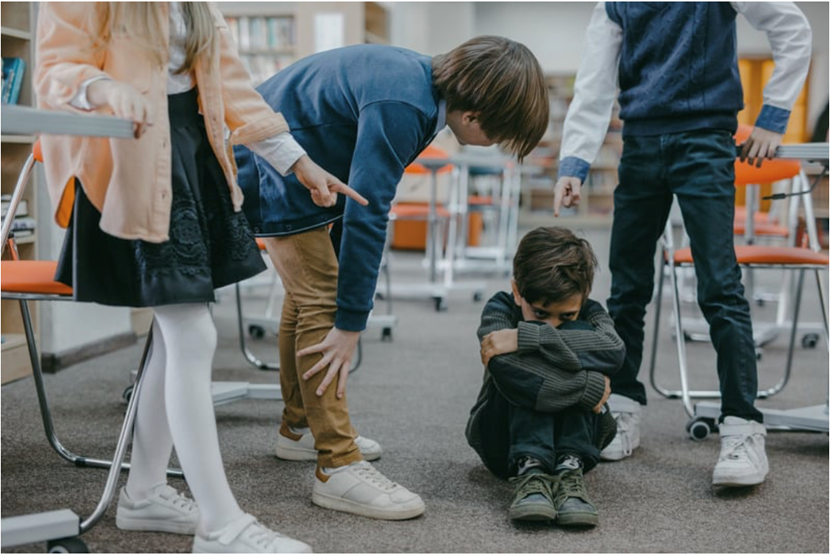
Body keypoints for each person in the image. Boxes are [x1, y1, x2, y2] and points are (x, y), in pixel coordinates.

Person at [35, 3, 364, 552]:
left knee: (176, 336)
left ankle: (143, 493)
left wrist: (298, 163)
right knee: (191, 334)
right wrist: (103, 89)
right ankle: (220, 525)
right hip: (134, 155)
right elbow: (55, 69)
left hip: (191, 150)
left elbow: (231, 87)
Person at [234, 37, 550, 520]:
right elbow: (369, 209)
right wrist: (351, 322)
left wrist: (348, 304)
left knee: (307, 297)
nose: (498, 146)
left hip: (290, 162)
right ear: (474, 116)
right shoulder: (405, 103)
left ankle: (298, 429)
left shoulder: (418, 84)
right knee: (320, 300)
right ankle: (336, 465)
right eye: (501, 135)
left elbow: (357, 195)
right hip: (269, 163)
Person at [553, 2, 812, 487]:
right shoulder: (614, 3)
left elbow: (794, 29)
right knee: (627, 288)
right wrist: (574, 163)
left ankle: (741, 424)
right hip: (641, 147)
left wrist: (774, 114)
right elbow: (593, 81)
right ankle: (623, 406)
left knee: (720, 286)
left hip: (705, 143)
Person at [466, 226, 623, 527]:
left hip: (580, 444)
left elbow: (614, 350)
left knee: (577, 335)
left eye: (566, 315)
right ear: (517, 291)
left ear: (584, 295)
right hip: (503, 442)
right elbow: (506, 369)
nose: (553, 324)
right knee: (519, 370)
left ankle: (568, 468)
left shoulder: (590, 312)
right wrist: (587, 386)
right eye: (540, 314)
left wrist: (531, 338)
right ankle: (532, 468)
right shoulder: (499, 308)